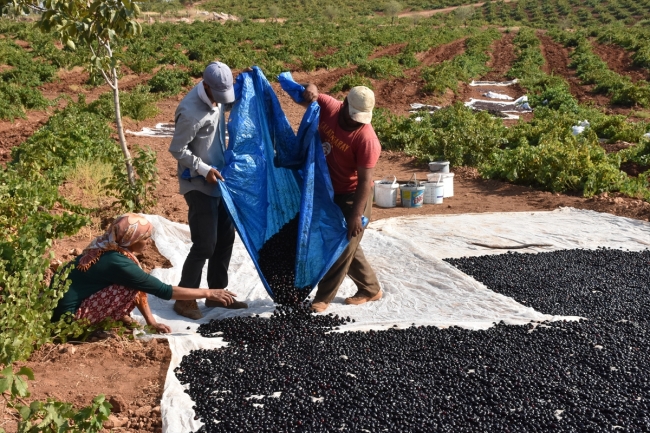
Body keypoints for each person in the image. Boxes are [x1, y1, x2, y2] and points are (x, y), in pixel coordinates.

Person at [52, 214, 240, 333]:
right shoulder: (118, 263)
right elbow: (164, 290)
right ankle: (87, 326)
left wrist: (151, 321)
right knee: (128, 287)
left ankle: (113, 317)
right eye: (145, 237)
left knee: (133, 283)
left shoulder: (107, 246)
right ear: (132, 239)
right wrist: (208, 292)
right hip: (67, 320)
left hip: (57, 307)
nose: (149, 241)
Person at [168, 61, 247, 320]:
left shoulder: (218, 96)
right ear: (205, 86)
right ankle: (184, 298)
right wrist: (203, 169)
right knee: (205, 244)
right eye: (218, 97)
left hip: (219, 181)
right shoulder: (190, 112)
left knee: (225, 238)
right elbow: (177, 150)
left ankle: (217, 293)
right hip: (198, 183)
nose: (221, 102)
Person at [300, 84, 383, 312]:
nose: (356, 122)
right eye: (353, 116)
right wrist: (310, 88)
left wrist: (357, 215)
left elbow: (366, 181)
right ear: (344, 104)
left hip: (354, 196)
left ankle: (323, 297)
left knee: (343, 246)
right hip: (330, 192)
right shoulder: (329, 107)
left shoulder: (366, 139)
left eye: (361, 119)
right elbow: (307, 95)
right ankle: (371, 288)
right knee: (349, 246)